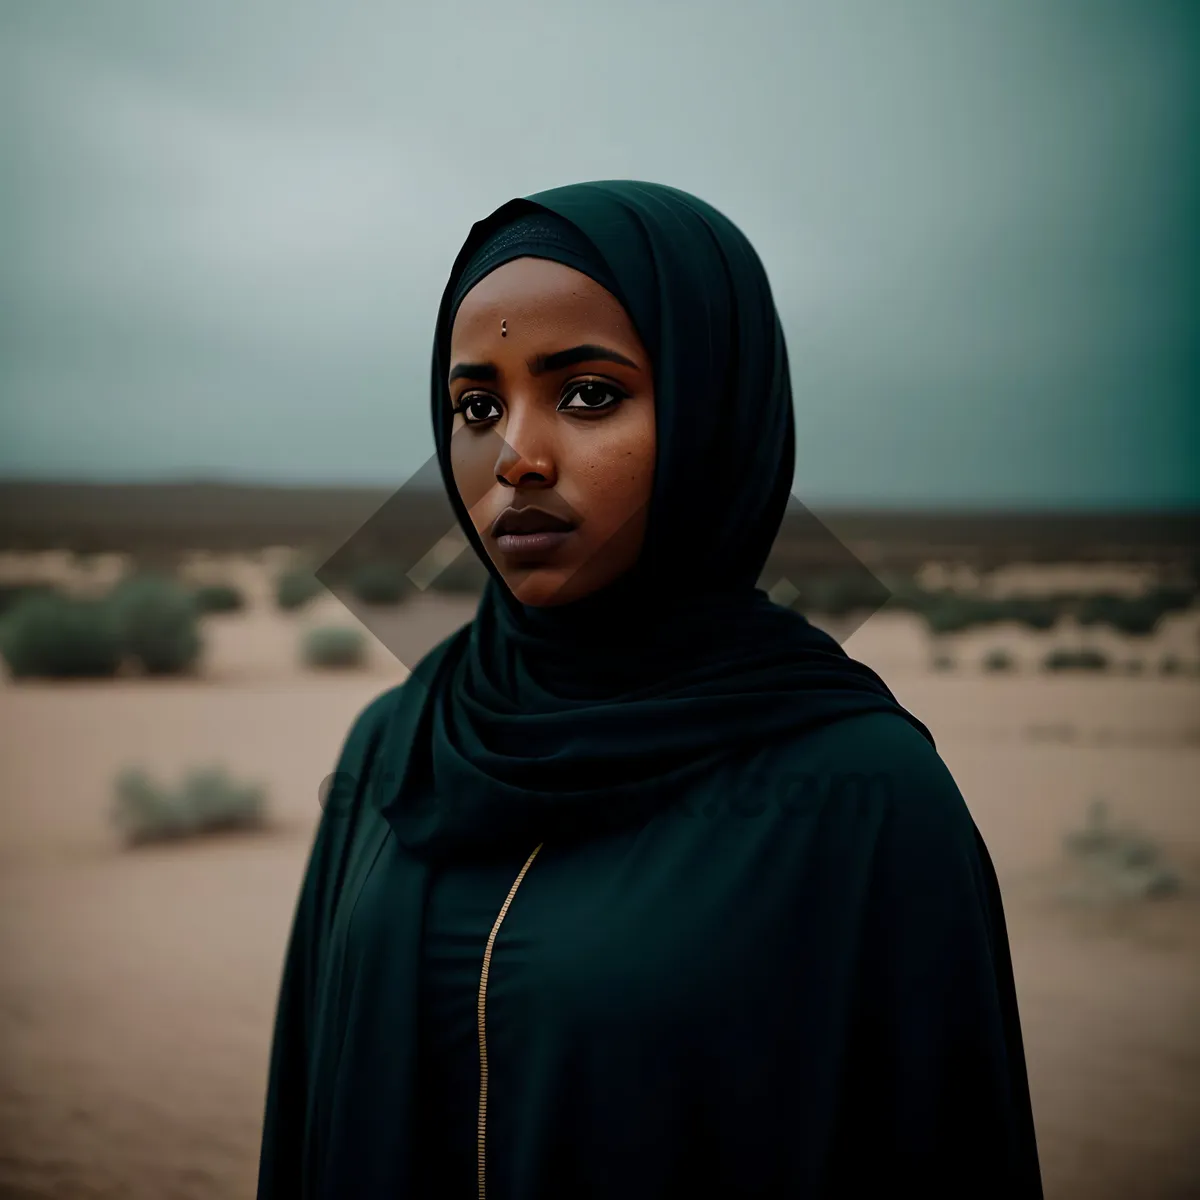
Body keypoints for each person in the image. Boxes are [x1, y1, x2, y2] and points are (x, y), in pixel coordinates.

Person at [255, 180, 1043, 1199]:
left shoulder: (867, 793)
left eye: (587, 394)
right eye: (476, 406)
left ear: (718, 415)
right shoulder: (397, 743)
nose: (516, 458)